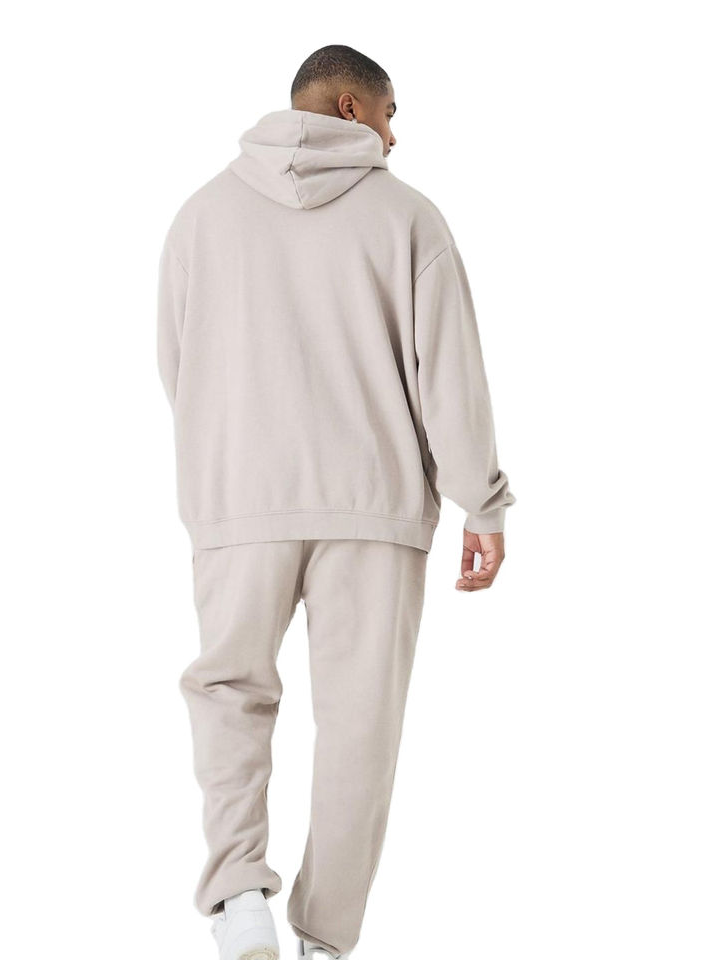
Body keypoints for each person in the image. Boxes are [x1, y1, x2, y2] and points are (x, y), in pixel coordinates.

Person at [157, 44, 516, 960]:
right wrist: (481, 502)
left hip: (240, 503)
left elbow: (179, 368)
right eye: (392, 116)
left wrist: (228, 466)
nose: (395, 139)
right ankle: (324, 939)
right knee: (361, 722)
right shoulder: (409, 218)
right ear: (353, 108)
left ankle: (240, 897)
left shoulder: (201, 217)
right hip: (375, 505)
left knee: (229, 694)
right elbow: (451, 378)